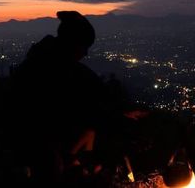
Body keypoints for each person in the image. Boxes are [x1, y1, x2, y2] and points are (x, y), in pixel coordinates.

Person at [9, 11, 125, 182]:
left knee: (90, 130)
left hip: (40, 135)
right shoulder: (52, 68)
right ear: (72, 43)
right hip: (32, 140)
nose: (85, 54)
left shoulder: (45, 59)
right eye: (84, 47)